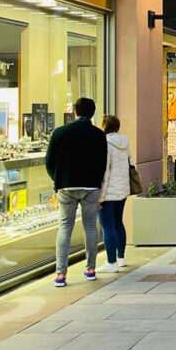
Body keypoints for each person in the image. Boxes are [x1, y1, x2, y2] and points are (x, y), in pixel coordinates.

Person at [45, 97, 108, 287]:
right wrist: (98, 185)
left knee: (65, 227)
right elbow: (102, 163)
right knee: (90, 226)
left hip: (66, 185)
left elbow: (49, 162)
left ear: (74, 111)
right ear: (93, 113)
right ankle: (90, 269)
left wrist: (57, 180)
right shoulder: (98, 134)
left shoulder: (60, 132)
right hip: (90, 186)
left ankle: (60, 274)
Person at [97, 115, 131, 273]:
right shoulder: (124, 143)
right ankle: (121, 258)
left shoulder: (105, 144)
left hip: (109, 192)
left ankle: (111, 262)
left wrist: (100, 196)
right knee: (118, 223)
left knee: (107, 226)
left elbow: (104, 172)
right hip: (122, 190)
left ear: (104, 125)